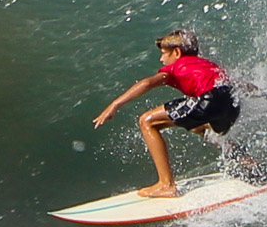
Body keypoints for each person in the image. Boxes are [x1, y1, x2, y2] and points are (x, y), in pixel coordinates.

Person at [93, 28, 241, 197]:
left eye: (164, 53)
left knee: (147, 121)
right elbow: (237, 85)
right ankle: (246, 161)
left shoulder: (177, 66)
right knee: (201, 127)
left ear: (176, 52)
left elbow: (148, 83)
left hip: (209, 100)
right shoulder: (208, 65)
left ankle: (166, 184)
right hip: (231, 105)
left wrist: (115, 104)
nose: (161, 58)